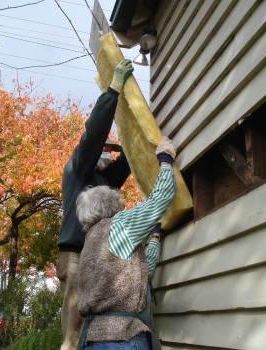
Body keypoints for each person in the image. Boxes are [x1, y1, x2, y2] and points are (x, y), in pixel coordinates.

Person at [56, 59, 134, 350]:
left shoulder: (102, 177)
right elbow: (94, 135)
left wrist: (136, 138)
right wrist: (113, 91)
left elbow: (127, 163)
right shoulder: (78, 168)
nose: (106, 152)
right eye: (104, 148)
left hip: (94, 255)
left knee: (92, 334)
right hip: (76, 256)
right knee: (74, 336)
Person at [76, 136, 177, 350]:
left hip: (92, 340)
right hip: (122, 338)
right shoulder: (118, 225)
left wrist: (155, 237)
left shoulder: (90, 242)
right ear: (111, 204)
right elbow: (160, 199)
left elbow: (141, 271)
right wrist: (166, 160)